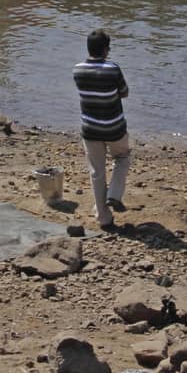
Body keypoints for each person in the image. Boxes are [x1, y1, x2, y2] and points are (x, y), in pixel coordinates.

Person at [72, 29, 131, 231]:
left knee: (96, 172)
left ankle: (104, 218)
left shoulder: (77, 70)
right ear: (106, 49)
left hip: (90, 128)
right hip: (114, 127)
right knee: (122, 158)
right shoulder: (113, 68)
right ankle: (114, 194)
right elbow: (124, 92)